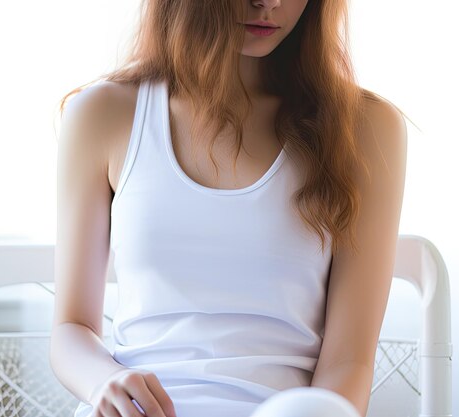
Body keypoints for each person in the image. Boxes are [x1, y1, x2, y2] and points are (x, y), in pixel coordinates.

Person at [49, 0, 407, 416]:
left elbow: (349, 361)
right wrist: (105, 382)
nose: (269, 2)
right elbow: (71, 328)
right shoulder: (103, 113)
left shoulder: (365, 128)